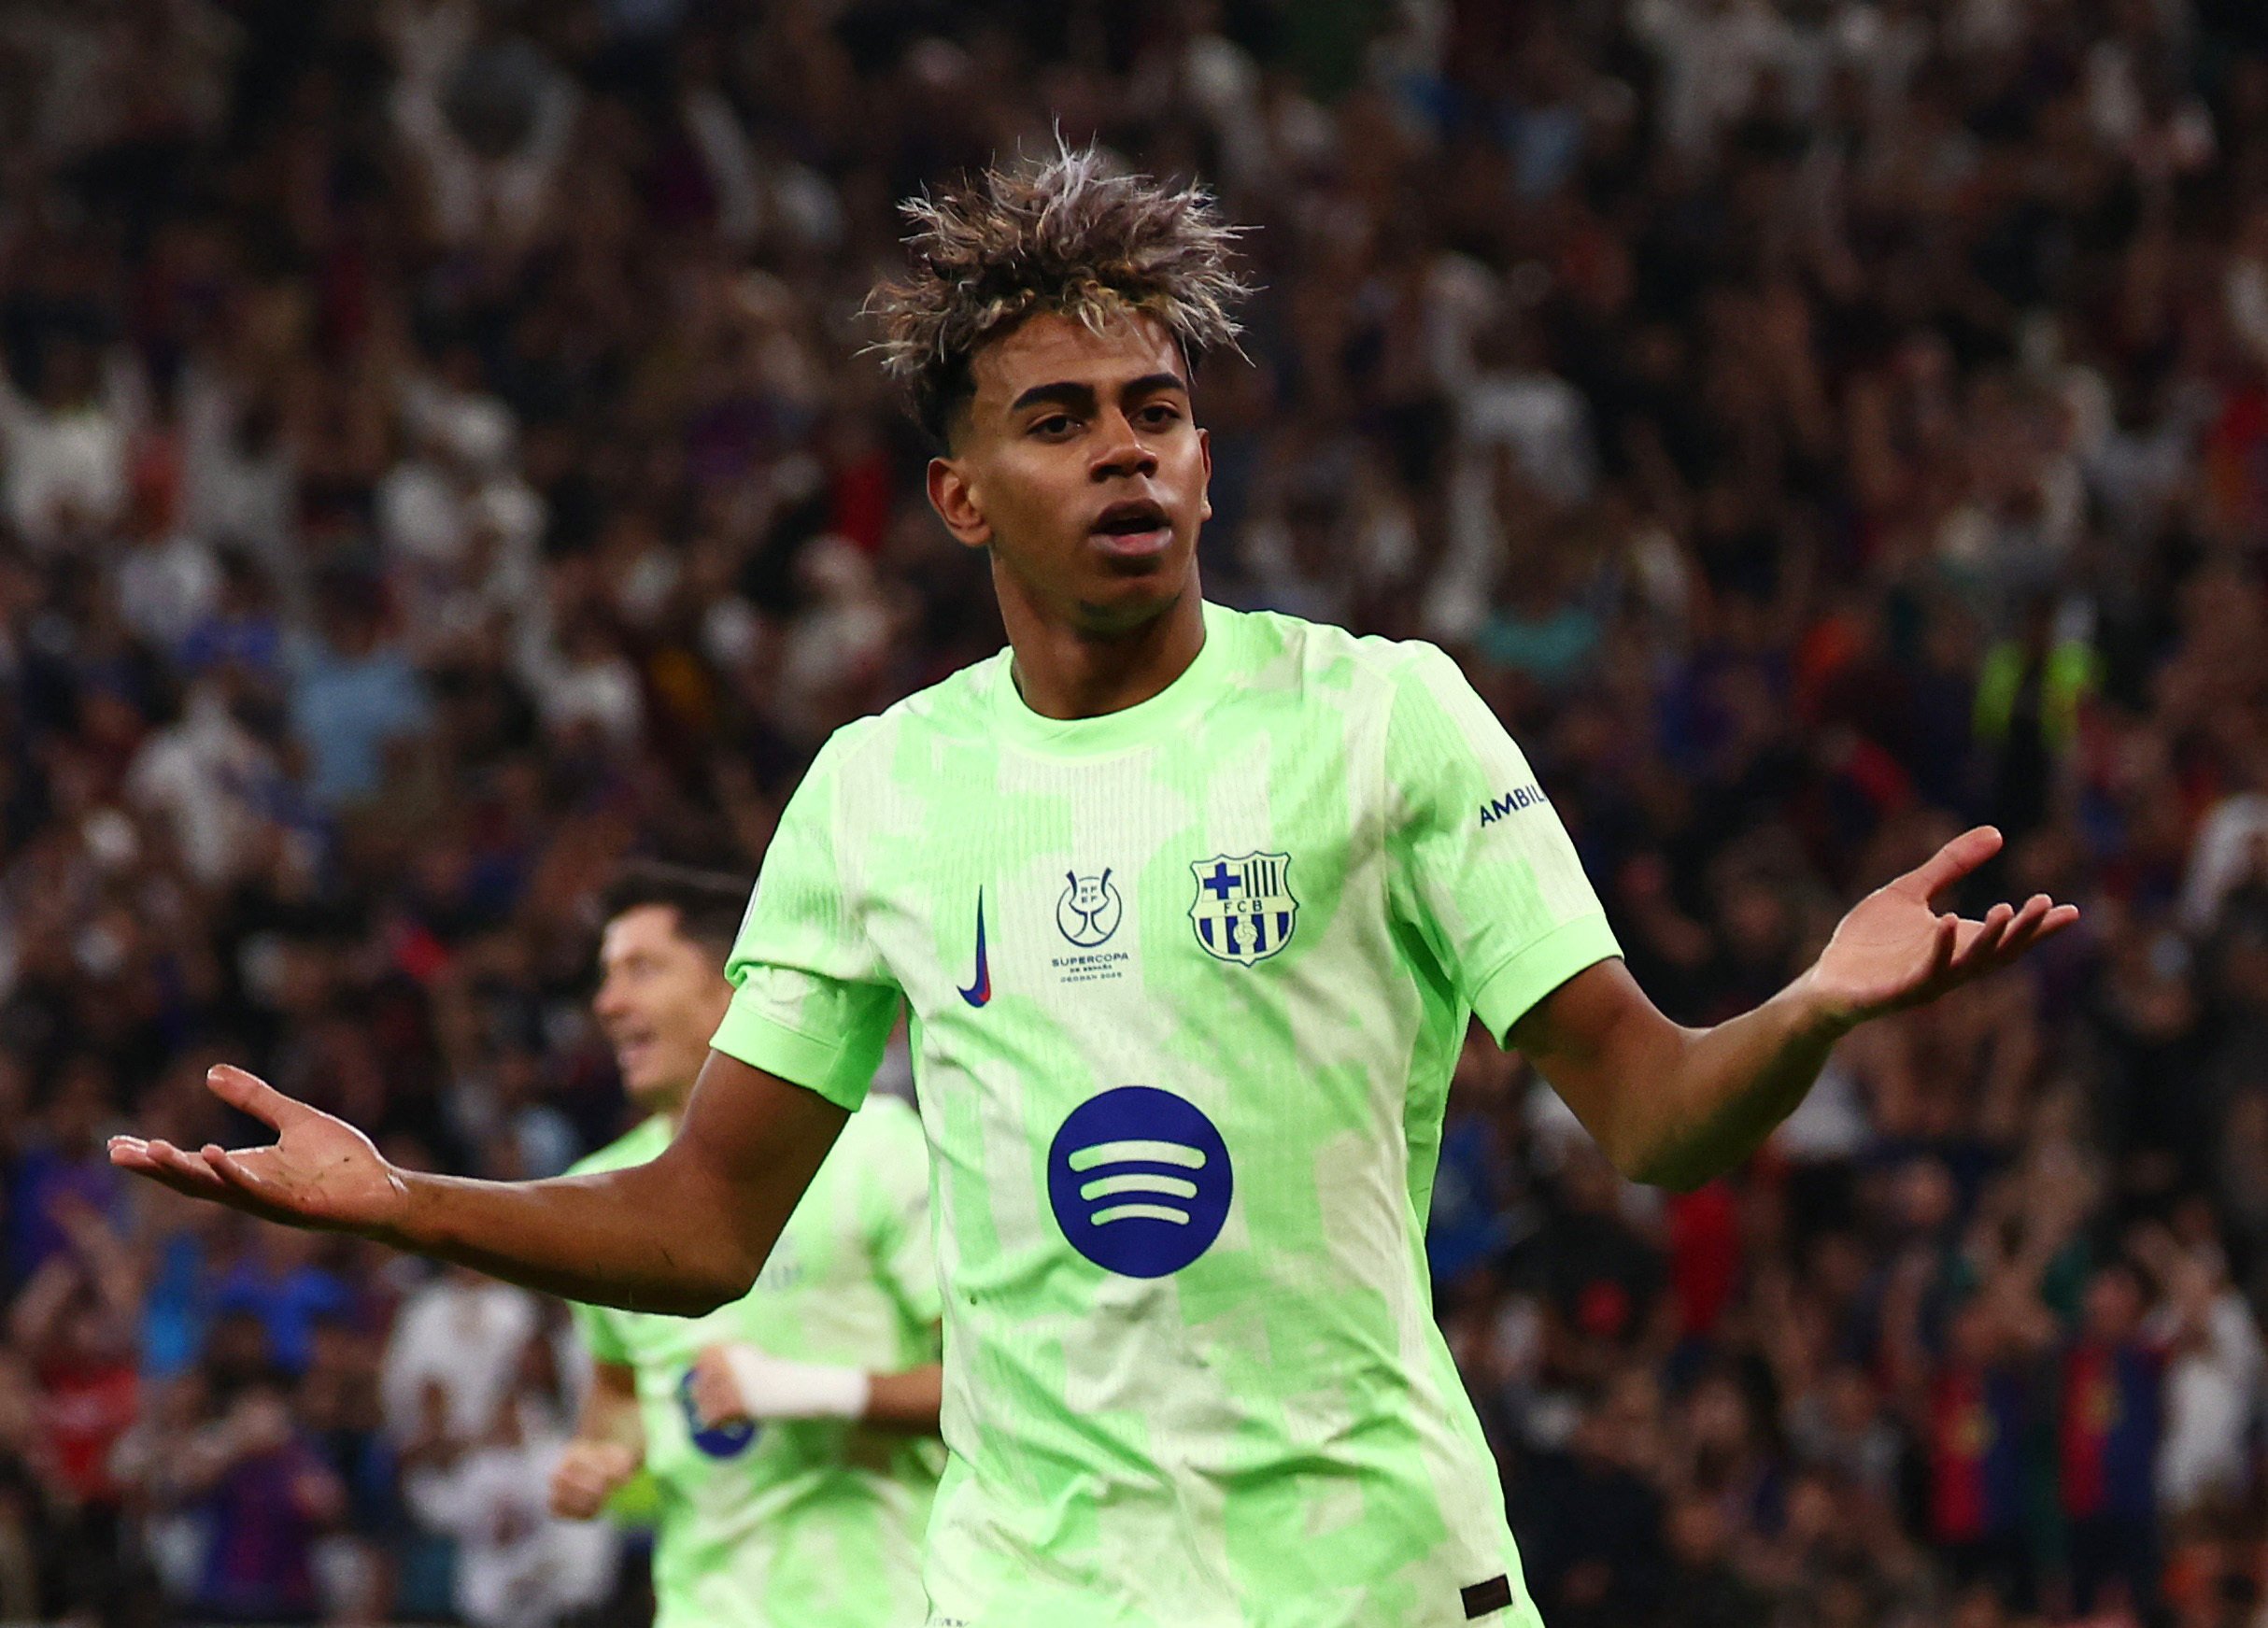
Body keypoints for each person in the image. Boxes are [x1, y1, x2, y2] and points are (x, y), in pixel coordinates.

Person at [110, 147, 2079, 1628]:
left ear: (1207, 462)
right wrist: (401, 1206)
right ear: (960, 495)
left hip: (1374, 1575)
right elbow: (707, 1222)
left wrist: (1804, 1009)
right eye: (1058, 420)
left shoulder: (1382, 721)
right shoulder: (879, 794)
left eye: (1157, 412)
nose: (1124, 452)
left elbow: (1649, 1118)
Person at [546, 863, 943, 1626]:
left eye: (643, 969)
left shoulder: (876, 1151)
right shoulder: (596, 1192)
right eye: (605, 977)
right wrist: (599, 1452)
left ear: (730, 992)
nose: (608, 1001)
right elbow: (621, 1384)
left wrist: (794, 1388)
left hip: (887, 1603)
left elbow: (983, 1386)